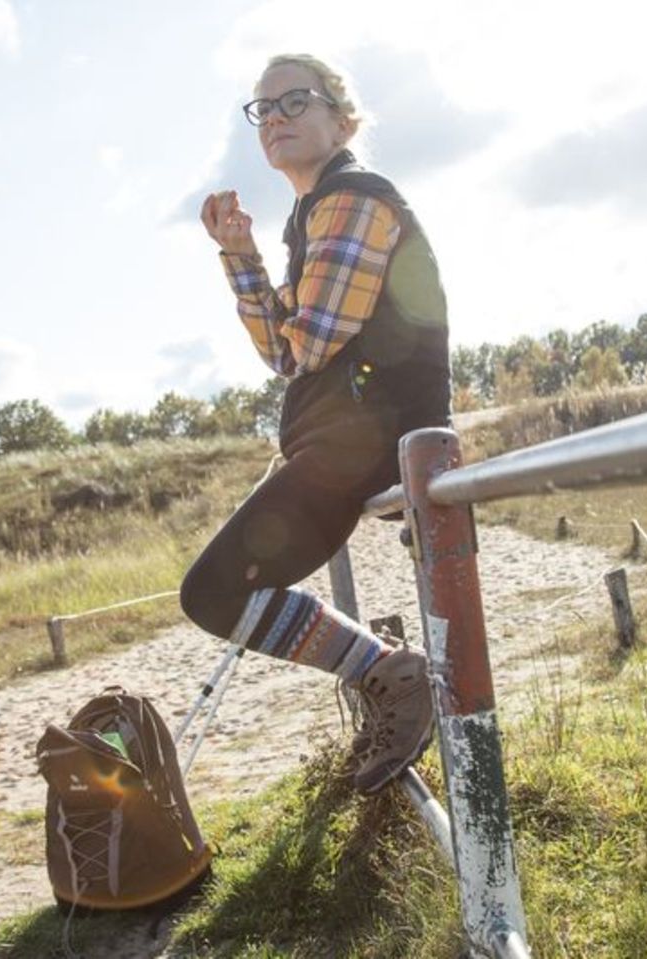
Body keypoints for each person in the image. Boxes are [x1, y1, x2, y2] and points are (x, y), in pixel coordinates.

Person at [179, 54, 451, 794]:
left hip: (368, 442)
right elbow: (285, 354)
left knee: (215, 593)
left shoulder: (353, 200)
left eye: (294, 102)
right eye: (261, 110)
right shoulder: (315, 211)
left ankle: (389, 674)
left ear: (341, 116)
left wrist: (268, 290)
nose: (274, 118)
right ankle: (383, 668)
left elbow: (304, 345)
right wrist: (240, 255)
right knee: (220, 591)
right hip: (347, 443)